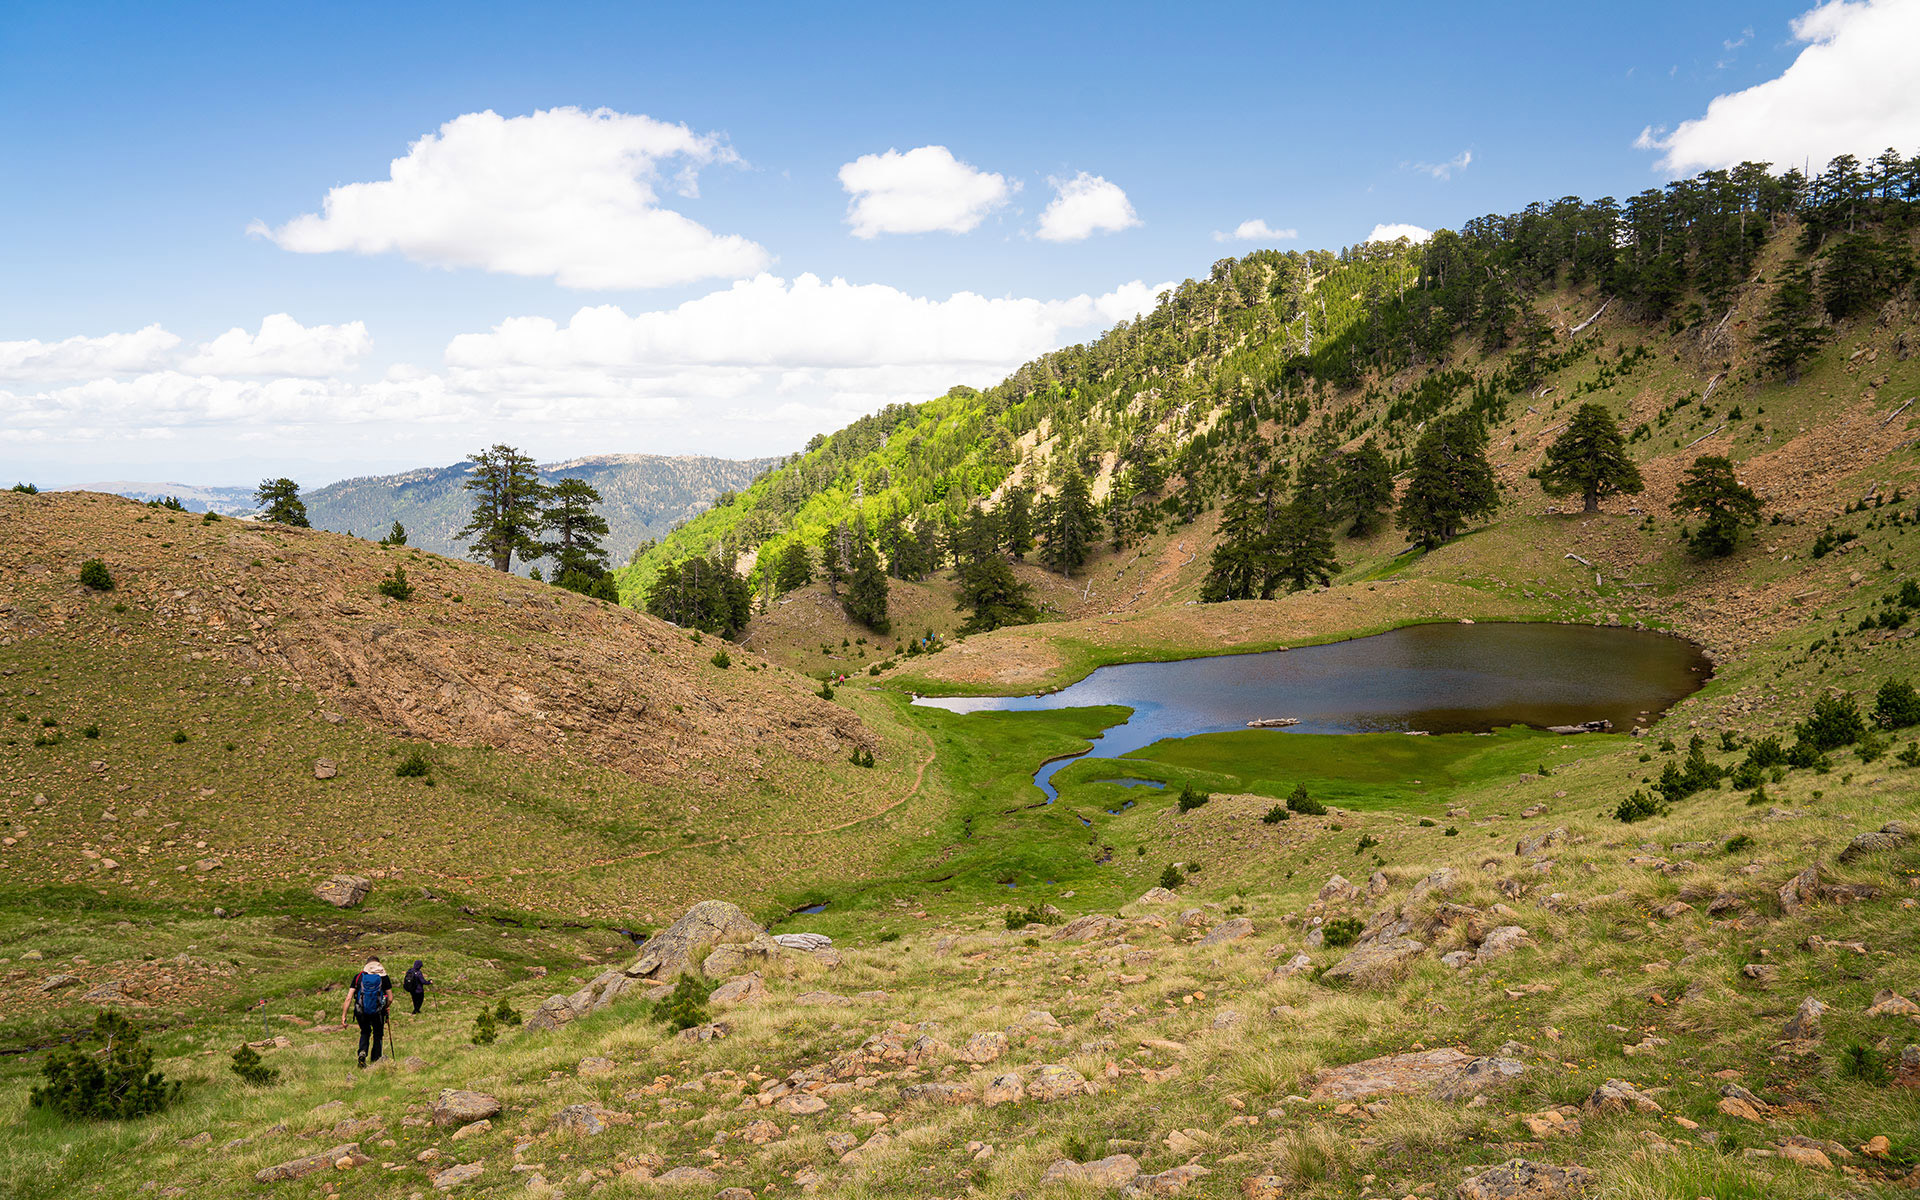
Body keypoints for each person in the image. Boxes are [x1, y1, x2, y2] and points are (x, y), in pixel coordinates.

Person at [339, 958, 392, 1067]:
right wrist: (385, 1007)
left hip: (361, 1010)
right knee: (378, 1034)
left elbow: (348, 998)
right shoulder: (384, 978)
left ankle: (362, 1051)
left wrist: (344, 1016)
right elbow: (390, 998)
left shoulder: (359, 977)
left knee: (365, 1031)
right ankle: (376, 1060)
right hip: (378, 1012)